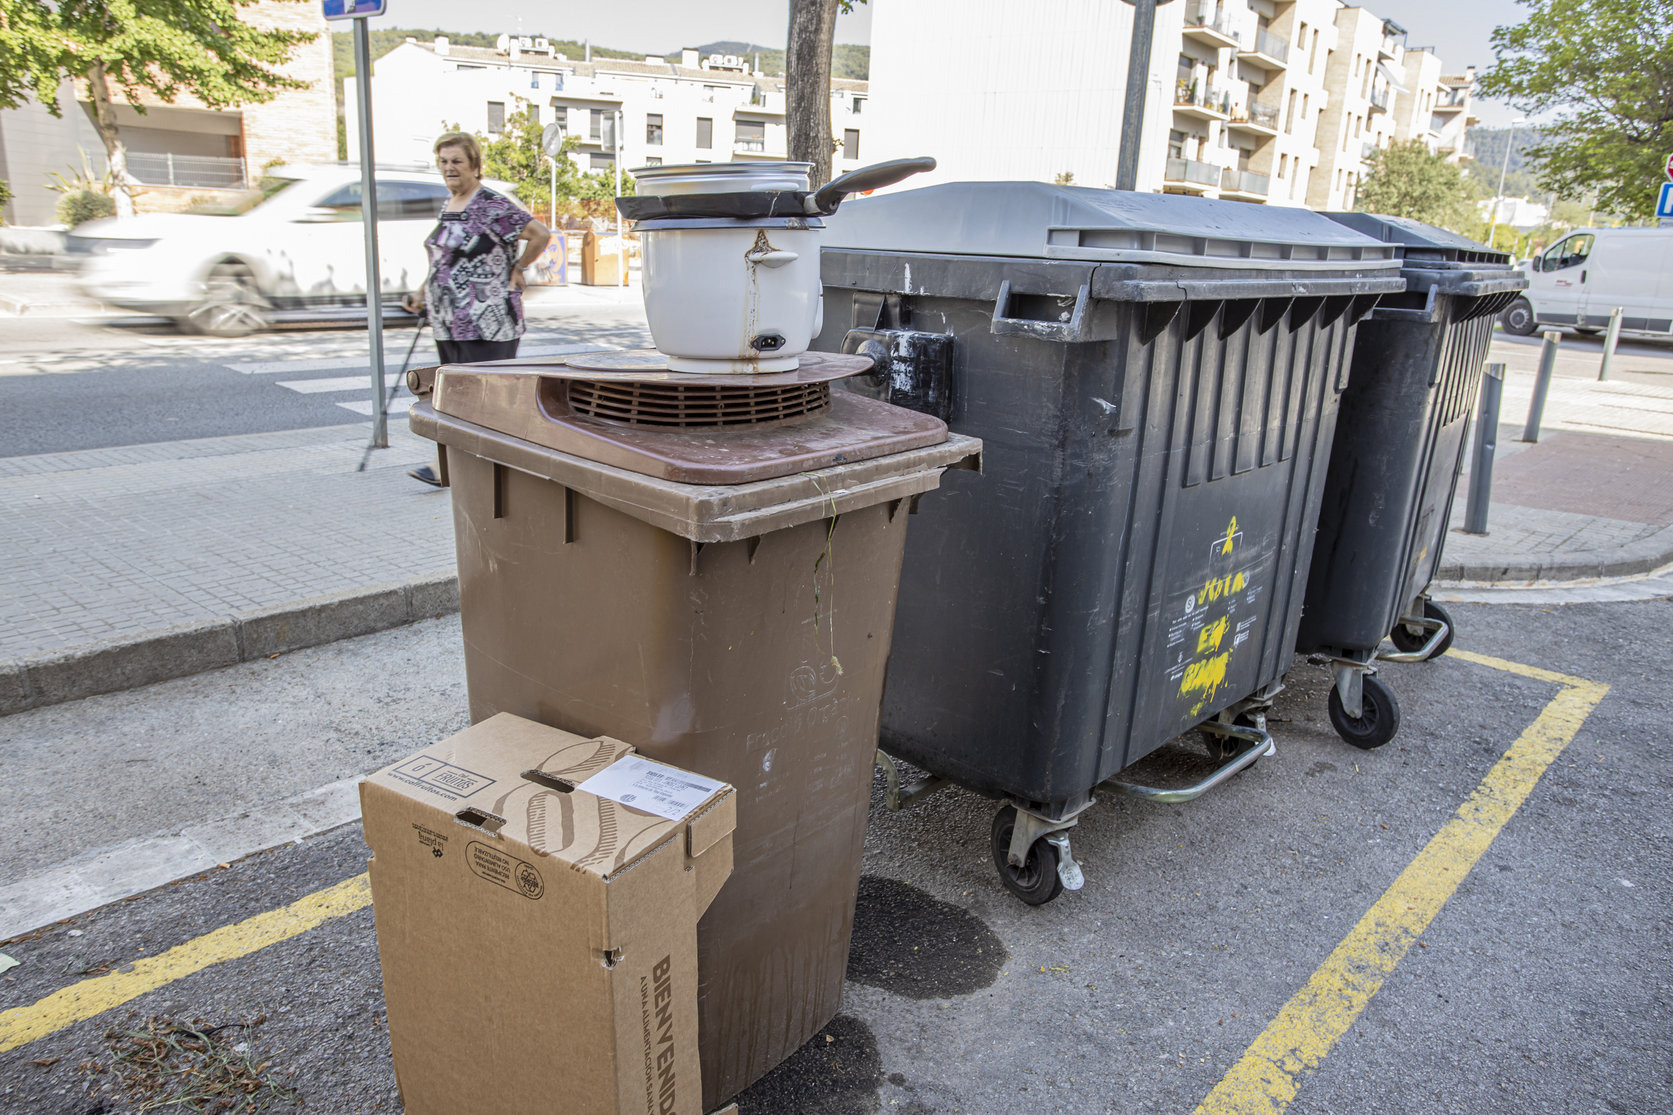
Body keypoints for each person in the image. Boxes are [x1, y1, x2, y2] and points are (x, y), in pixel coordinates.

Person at [402, 131, 550, 486]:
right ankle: (451, 467)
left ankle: (483, 469)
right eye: (443, 161)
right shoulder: (451, 205)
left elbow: (541, 234)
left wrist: (519, 267)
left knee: (482, 401)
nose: (449, 168)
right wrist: (423, 292)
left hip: (487, 321)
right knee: (450, 395)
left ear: (474, 166)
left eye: (457, 161)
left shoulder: (490, 205)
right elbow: (444, 261)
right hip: (448, 319)